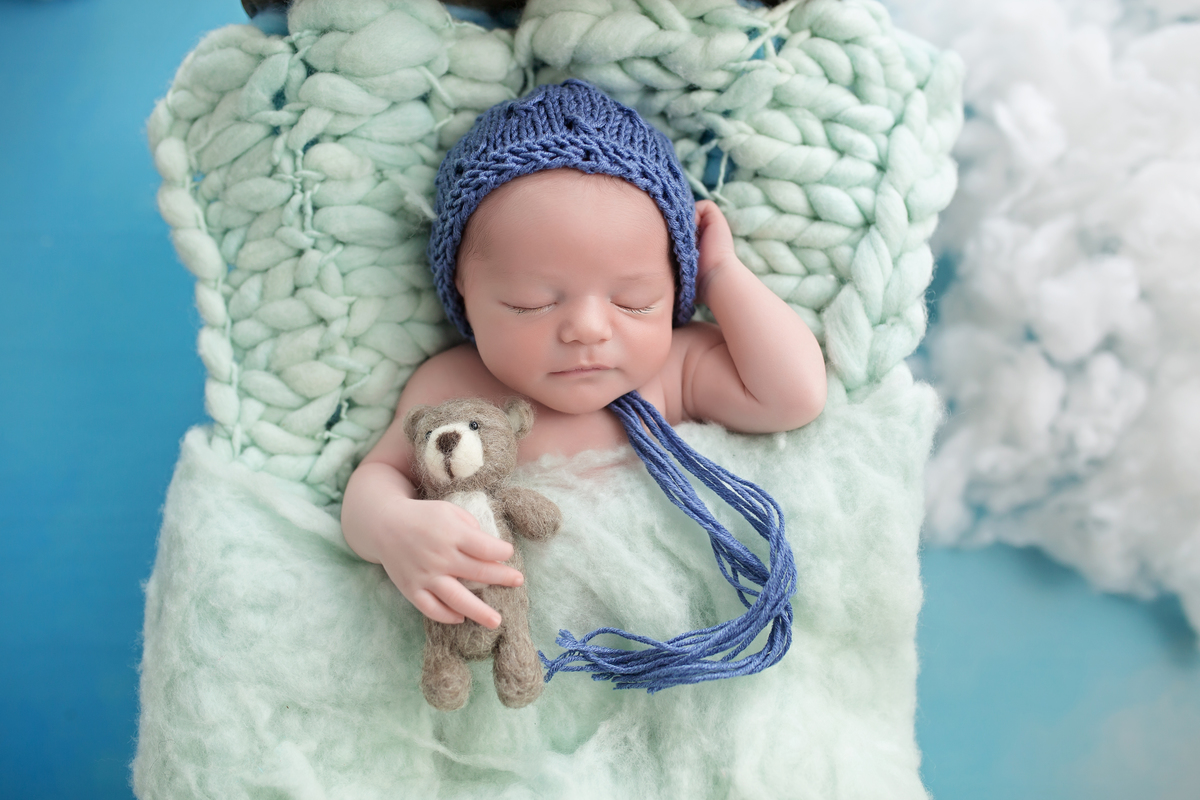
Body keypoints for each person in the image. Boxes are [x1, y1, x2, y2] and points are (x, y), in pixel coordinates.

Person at [340, 80, 826, 634]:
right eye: (532, 303)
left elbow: (794, 397)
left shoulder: (671, 372)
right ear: (464, 293)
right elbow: (376, 478)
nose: (588, 330)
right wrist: (393, 525)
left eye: (634, 301)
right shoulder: (456, 385)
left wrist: (720, 277)